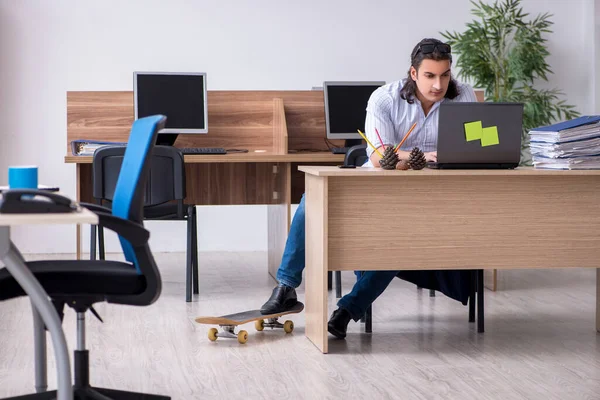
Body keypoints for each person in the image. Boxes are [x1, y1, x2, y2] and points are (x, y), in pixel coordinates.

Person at [260, 37, 478, 339]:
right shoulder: (385, 99)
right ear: (413, 74)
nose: (438, 85)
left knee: (401, 238)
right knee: (313, 200)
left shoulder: (464, 95)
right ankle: (286, 287)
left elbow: (474, 146)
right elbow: (378, 156)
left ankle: (347, 311)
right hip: (381, 186)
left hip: (434, 194)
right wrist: (417, 156)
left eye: (444, 75)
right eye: (430, 75)